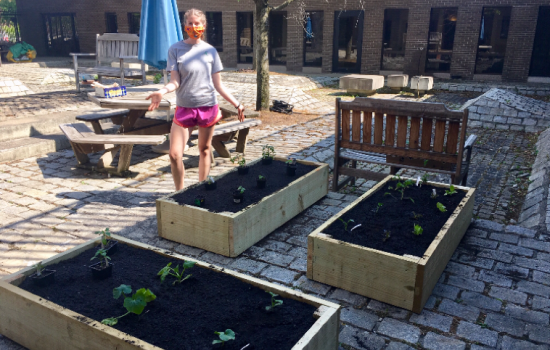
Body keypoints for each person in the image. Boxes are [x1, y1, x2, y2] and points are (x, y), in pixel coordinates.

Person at [147, 8, 245, 191]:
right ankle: (180, 193)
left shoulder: (210, 52)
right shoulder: (175, 49)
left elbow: (218, 85)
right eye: (190, 23)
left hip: (208, 107)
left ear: (204, 26)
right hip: (184, 109)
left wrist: (237, 104)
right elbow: (175, 81)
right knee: (175, 154)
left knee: (204, 150)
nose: (194, 26)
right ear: (185, 26)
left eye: (197, 23)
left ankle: (202, 189)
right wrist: (162, 91)